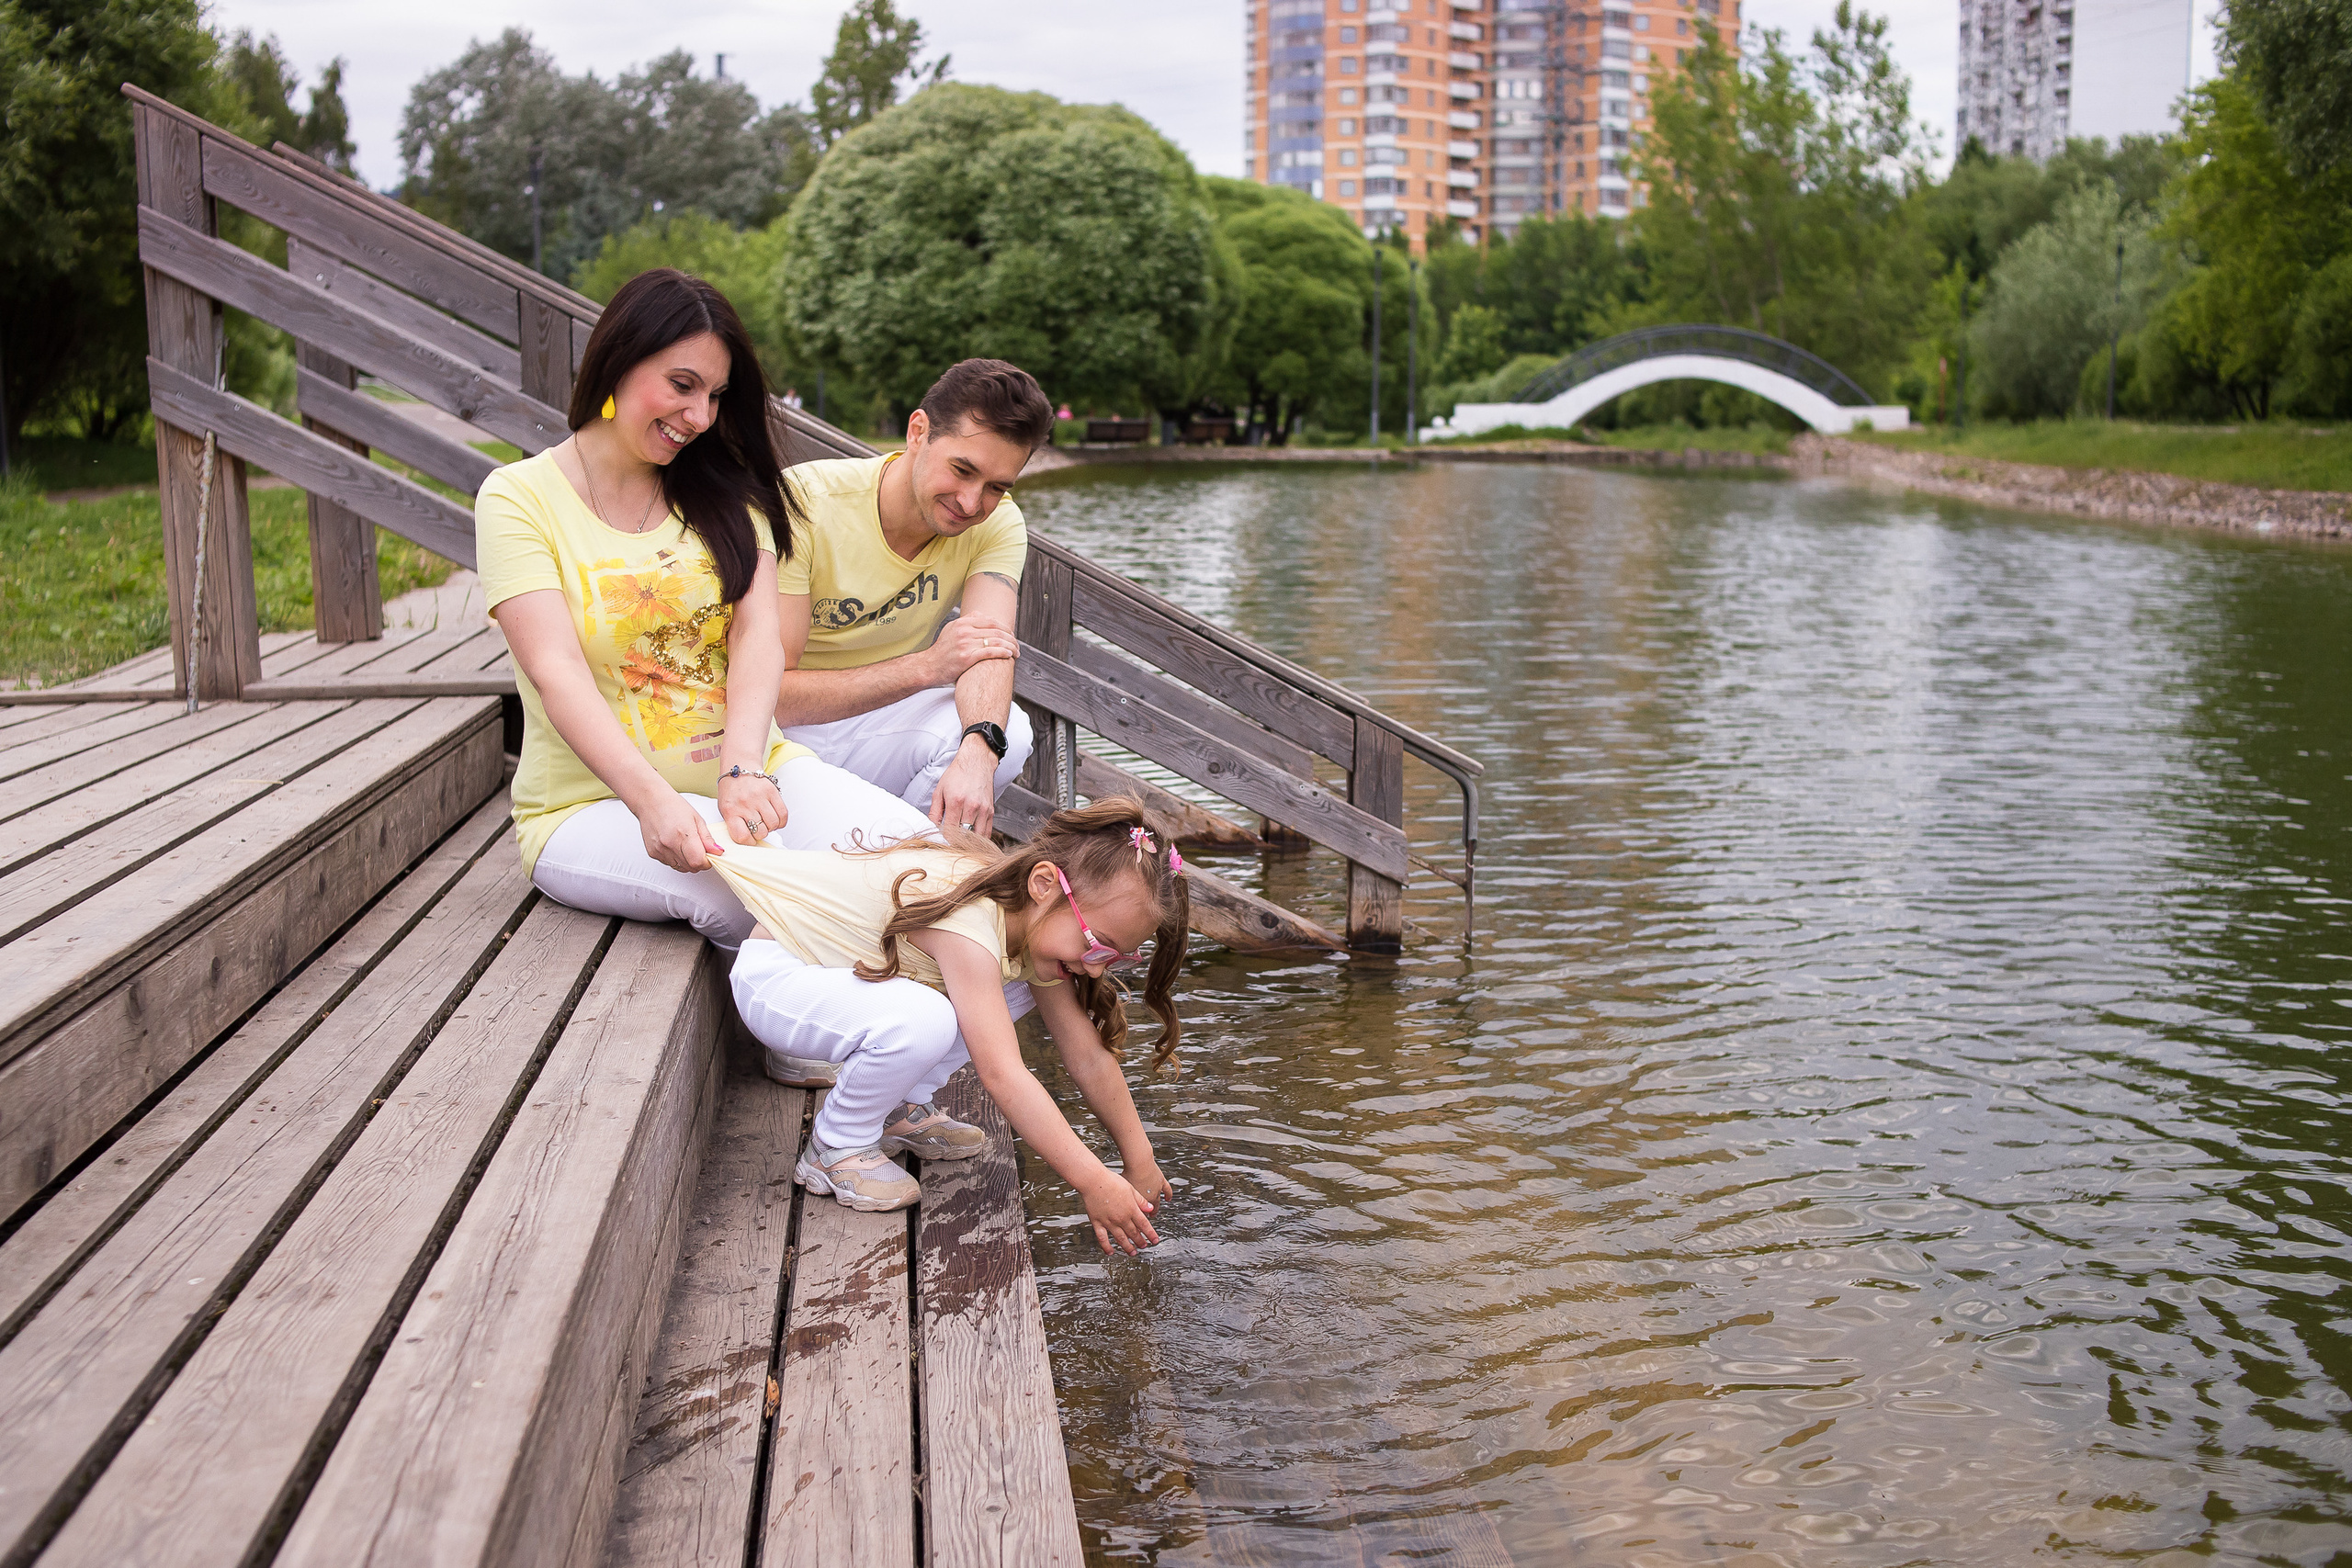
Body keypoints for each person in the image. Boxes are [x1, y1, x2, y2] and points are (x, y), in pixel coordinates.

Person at [479, 266, 932, 954]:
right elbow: (555, 670)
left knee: (921, 867)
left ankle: (886, 1038)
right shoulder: (519, 498)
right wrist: (652, 800)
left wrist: (744, 766)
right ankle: (794, 1046)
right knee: (757, 886)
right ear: (619, 360)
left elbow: (756, 636)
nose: (699, 418)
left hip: (747, 773)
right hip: (591, 808)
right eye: (682, 385)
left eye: (715, 396)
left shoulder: (719, 491)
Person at [710, 797, 1188, 1254]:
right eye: (1097, 944)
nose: (1097, 967)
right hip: (781, 979)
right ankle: (837, 1146)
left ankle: (895, 1108)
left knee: (1020, 985)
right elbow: (1004, 1074)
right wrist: (1093, 1181)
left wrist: (1139, 1160)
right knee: (926, 1021)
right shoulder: (971, 928)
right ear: (1045, 884)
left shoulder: (1028, 923)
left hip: (839, 984)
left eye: (1115, 957)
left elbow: (1085, 1054)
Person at [776, 359, 1057, 840]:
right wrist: (926, 667)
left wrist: (979, 748)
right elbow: (770, 697)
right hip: (774, 739)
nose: (971, 503)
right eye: (962, 469)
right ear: (918, 432)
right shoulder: (804, 502)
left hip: (873, 726)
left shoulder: (999, 523)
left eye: (996, 486)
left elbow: (989, 647)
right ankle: (896, 868)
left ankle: (902, 870)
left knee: (1009, 733)